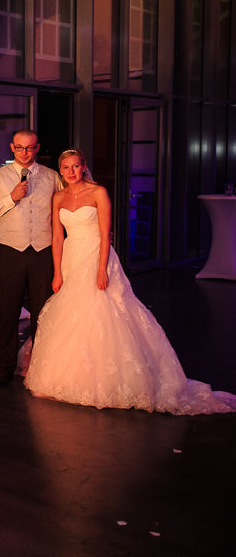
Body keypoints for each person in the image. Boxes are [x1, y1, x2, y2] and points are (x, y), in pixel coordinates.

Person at [22, 149, 236, 414]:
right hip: (70, 256)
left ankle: (105, 381)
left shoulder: (98, 192)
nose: (71, 172)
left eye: (75, 166)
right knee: (71, 312)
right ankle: (66, 377)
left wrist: (102, 270)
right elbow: (56, 237)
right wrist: (57, 272)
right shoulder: (59, 197)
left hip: (95, 254)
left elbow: (104, 233)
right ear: (61, 170)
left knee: (102, 309)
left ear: (83, 167)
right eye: (66, 168)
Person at [0, 128, 60, 388]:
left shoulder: (52, 176)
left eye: (30, 147)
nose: (25, 152)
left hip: (43, 253)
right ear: (12, 148)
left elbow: (69, 205)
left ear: (37, 148)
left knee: (43, 316)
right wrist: (10, 198)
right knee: (9, 315)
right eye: (20, 147)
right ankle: (3, 371)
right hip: (10, 253)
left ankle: (40, 372)